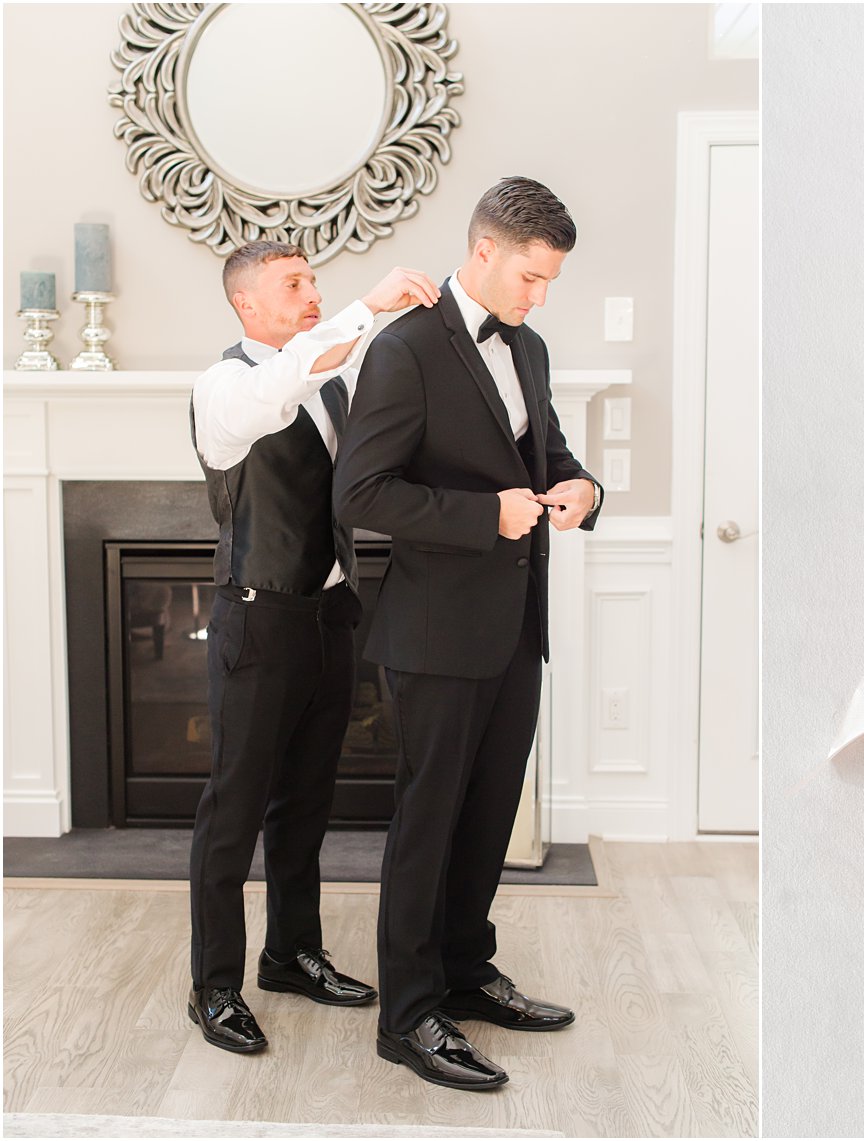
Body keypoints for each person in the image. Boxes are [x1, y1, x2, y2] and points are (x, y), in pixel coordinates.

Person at [334, 177, 601, 1091]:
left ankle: (463, 971)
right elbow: (361, 496)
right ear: (483, 250)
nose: (537, 296)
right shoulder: (404, 350)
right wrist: (484, 516)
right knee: (429, 825)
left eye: (550, 281)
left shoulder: (529, 347)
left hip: (515, 628)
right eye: (530, 276)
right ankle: (407, 1016)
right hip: (433, 633)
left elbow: (551, 457)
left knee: (487, 820)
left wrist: (585, 491)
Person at [187, 241, 440, 1053]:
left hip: (329, 618)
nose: (311, 293)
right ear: (247, 304)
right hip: (255, 624)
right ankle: (214, 986)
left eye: (313, 281)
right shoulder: (227, 386)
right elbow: (279, 388)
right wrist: (364, 309)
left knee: (305, 804)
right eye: (293, 285)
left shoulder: (334, 380)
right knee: (232, 813)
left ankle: (292, 953)